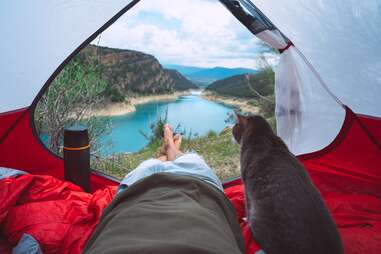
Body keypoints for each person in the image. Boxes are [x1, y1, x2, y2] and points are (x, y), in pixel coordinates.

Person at [84, 124, 244, 254]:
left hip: (138, 192)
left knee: (149, 165)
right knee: (192, 160)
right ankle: (171, 149)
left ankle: (165, 152)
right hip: (198, 187)